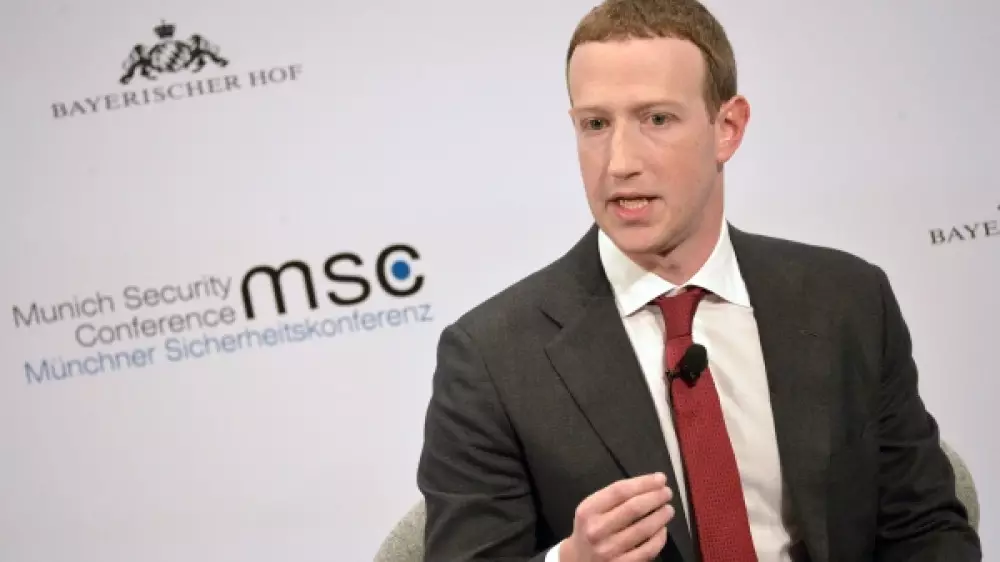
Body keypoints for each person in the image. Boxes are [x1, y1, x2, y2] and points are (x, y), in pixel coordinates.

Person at [416, 0, 982, 560]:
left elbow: (925, 529)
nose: (619, 162)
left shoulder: (847, 301)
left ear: (727, 127)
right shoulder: (492, 359)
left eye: (656, 119)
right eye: (596, 124)